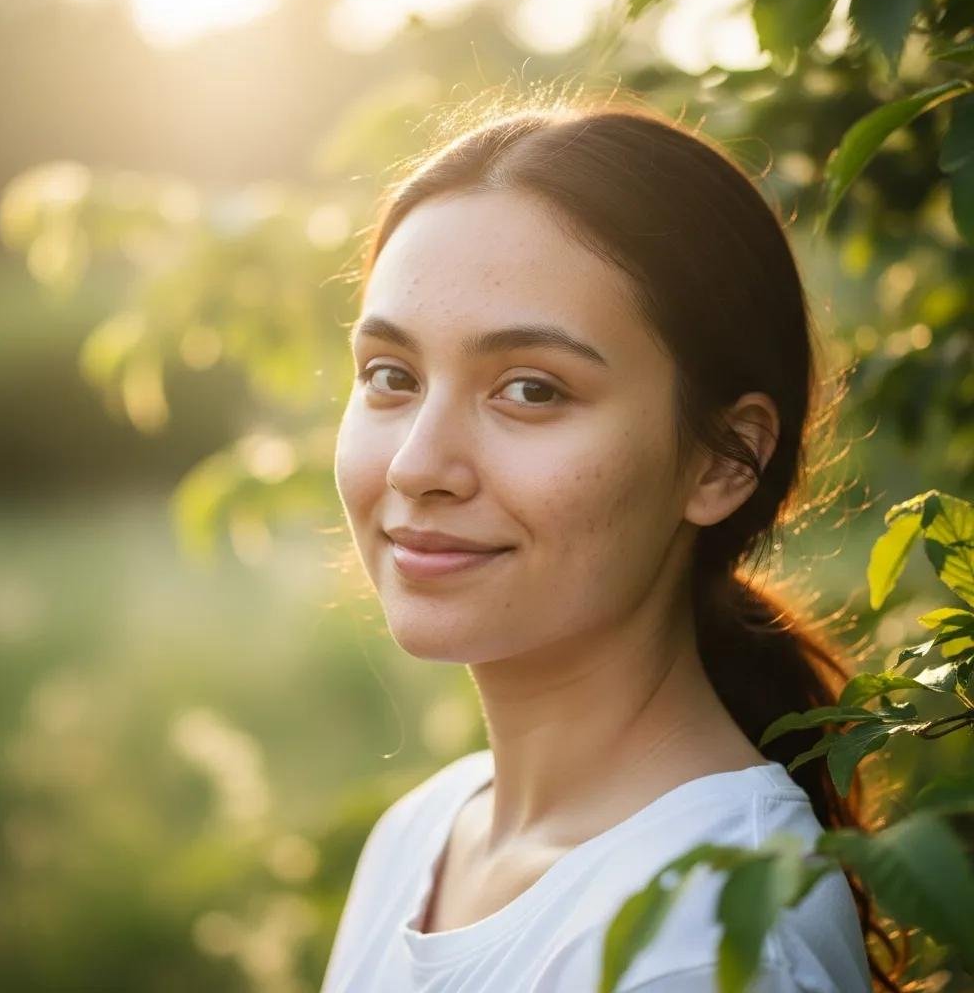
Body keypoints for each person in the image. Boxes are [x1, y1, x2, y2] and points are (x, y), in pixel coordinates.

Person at [320, 94, 898, 992]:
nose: (416, 465)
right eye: (390, 375)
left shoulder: (705, 940)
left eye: (532, 390)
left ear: (723, 461)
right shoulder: (424, 836)